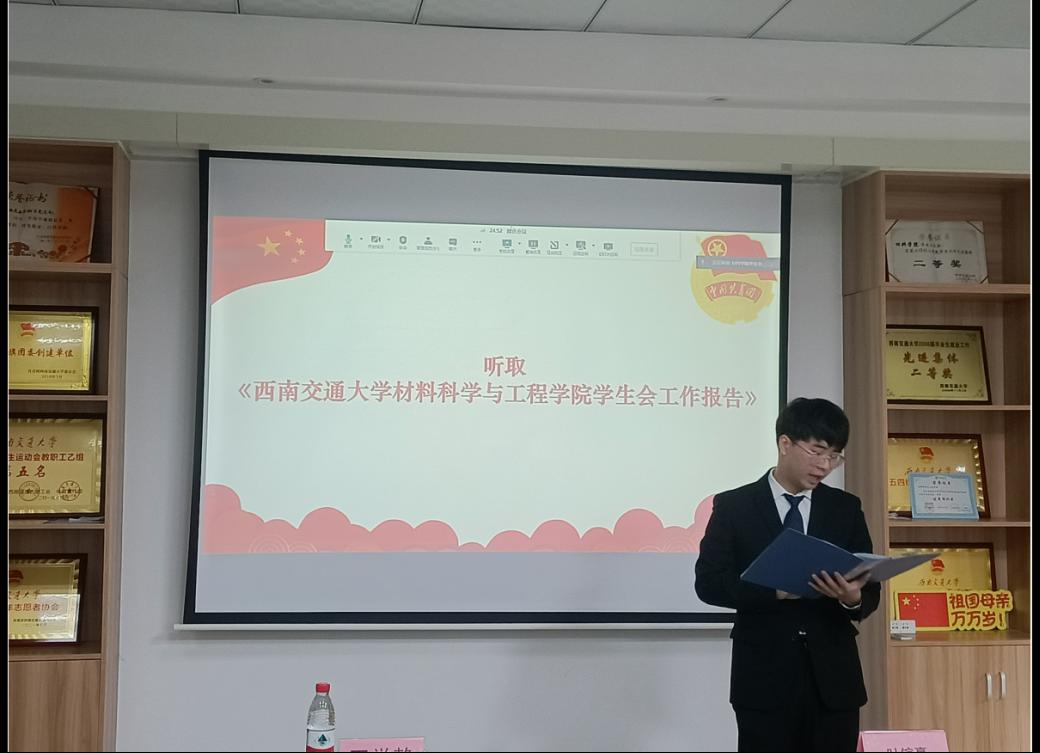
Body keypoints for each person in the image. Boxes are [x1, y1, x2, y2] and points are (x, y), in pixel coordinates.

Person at [695, 397, 880, 752]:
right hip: (763, 677)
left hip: (834, 680)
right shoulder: (735, 506)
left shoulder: (845, 507)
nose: (825, 465)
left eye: (835, 456)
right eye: (817, 451)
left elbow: (869, 587)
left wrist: (852, 598)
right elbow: (709, 582)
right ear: (785, 443)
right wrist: (774, 591)